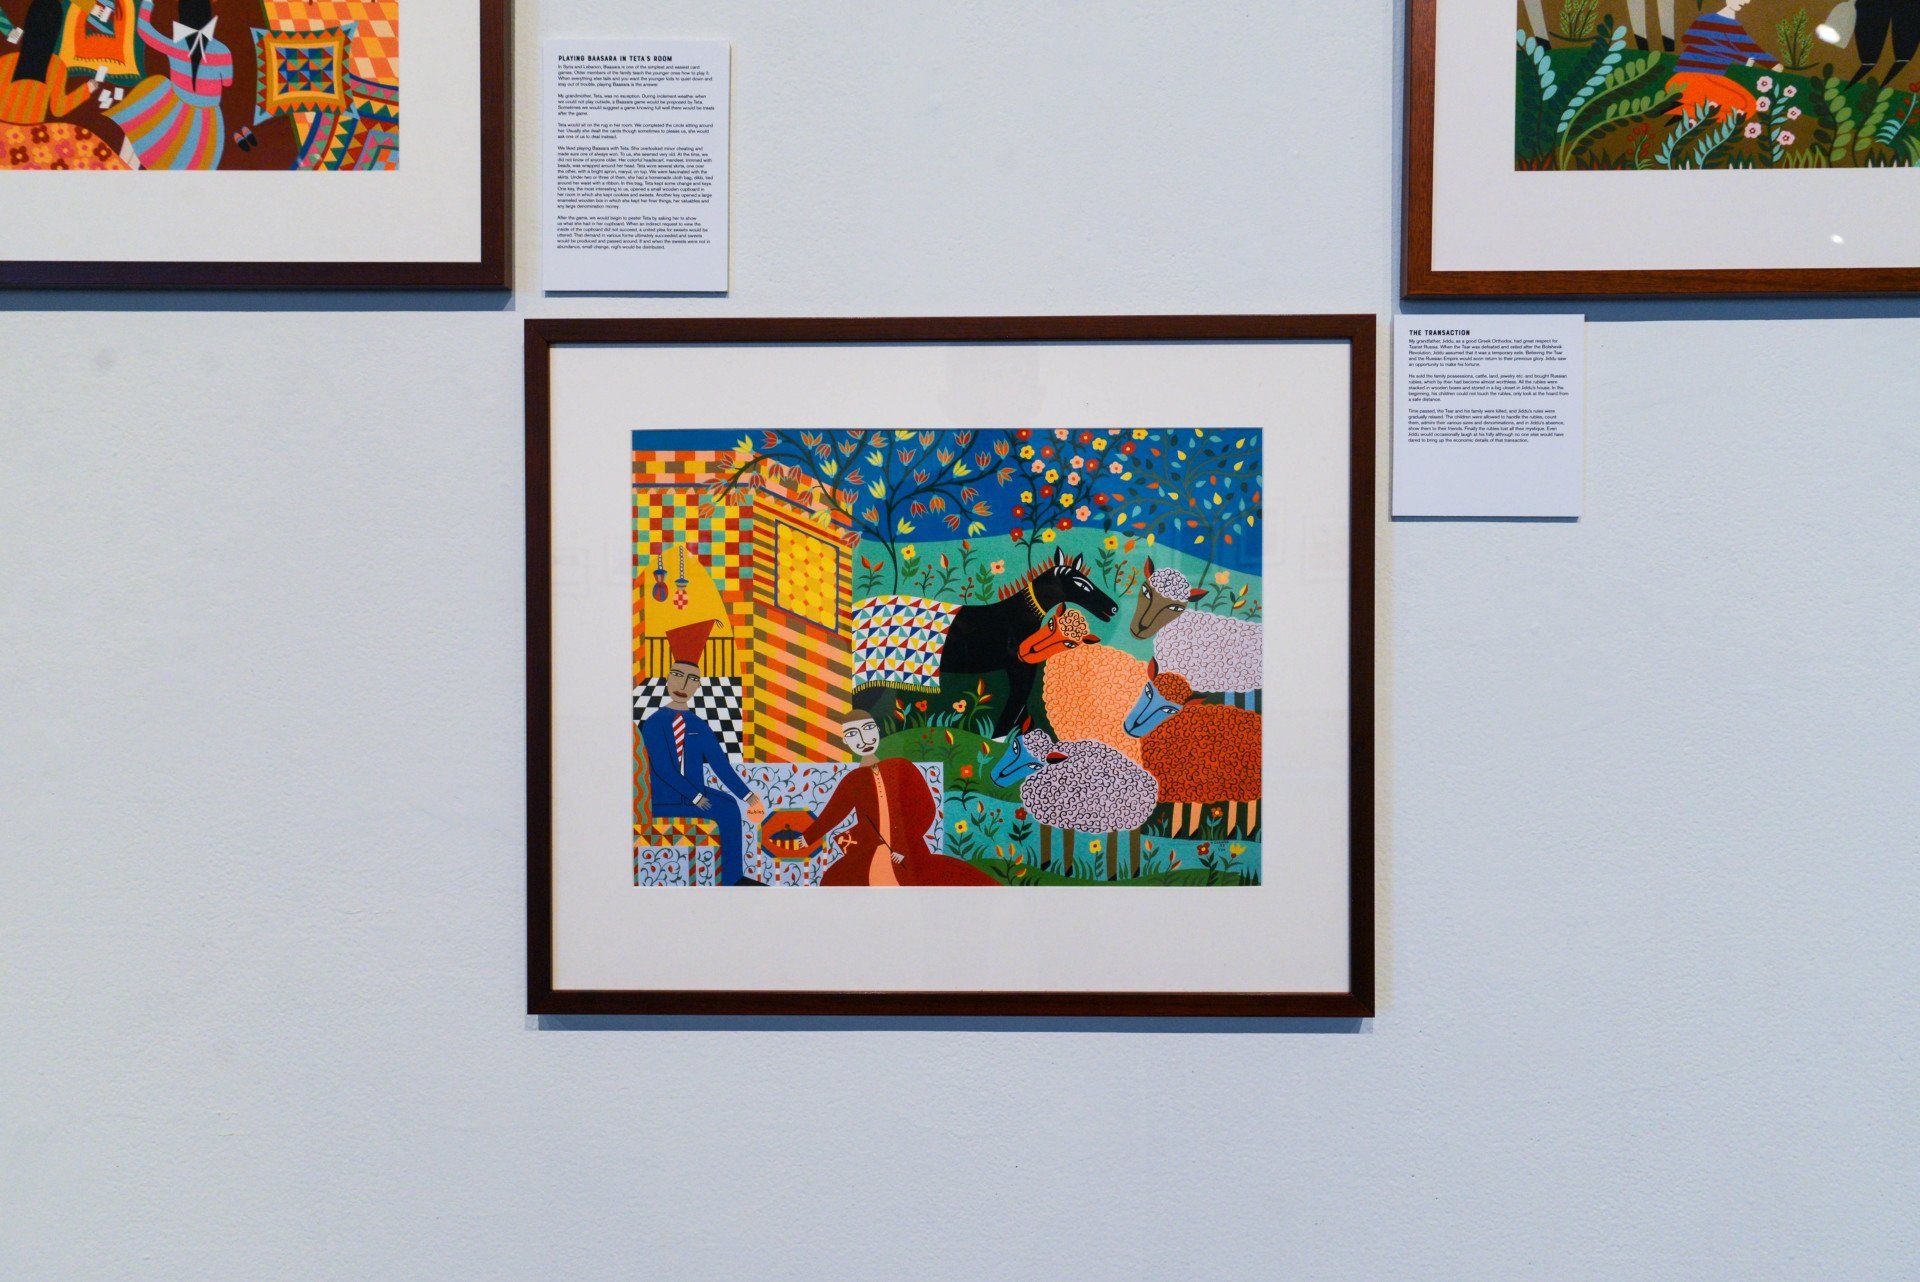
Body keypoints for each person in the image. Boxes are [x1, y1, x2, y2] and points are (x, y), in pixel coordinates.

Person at [805, 712, 998, 887]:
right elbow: (832, 814)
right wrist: (805, 839)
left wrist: (904, 844)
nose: (863, 739)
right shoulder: (853, 780)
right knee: (833, 880)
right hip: (869, 852)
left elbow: (926, 809)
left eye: (868, 728)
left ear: (877, 729)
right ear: (845, 741)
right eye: (853, 734)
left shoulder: (901, 766)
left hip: (910, 852)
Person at [639, 620, 764, 886]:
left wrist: (747, 796)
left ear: (698, 686)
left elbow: (720, 765)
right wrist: (695, 796)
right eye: (678, 675)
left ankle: (733, 878)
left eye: (692, 679)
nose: (683, 683)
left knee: (730, 806)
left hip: (695, 794)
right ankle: (731, 880)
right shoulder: (653, 723)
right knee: (725, 810)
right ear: (667, 679)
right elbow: (662, 768)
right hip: (664, 799)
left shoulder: (698, 724)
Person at [106, 0, 232, 170]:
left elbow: (145, 31)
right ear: (209, 16)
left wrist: (148, 3)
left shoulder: (176, 45)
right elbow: (227, 82)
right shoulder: (223, 51)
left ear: (182, 18)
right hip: (206, 124)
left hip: (175, 110)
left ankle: (123, 166)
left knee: (144, 118)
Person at [1667, 0, 1784, 121]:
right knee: (1745, 109)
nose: (1746, 1)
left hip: (1709, 80)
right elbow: (1691, 39)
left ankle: (1682, 108)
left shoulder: (1733, 25)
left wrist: (1772, 64)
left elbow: (1749, 47)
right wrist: (1741, 58)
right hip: (1687, 80)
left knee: (1747, 107)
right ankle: (1678, 107)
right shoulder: (1707, 19)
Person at [0, 0, 104, 125]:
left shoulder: (5, 61)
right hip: (33, 132)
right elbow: (59, 109)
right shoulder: (55, 65)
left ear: (28, 25)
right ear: (57, 31)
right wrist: (88, 88)